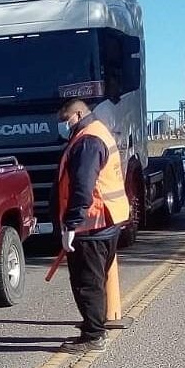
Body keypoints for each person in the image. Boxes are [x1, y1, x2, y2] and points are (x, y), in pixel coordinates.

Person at [53, 98, 131, 353]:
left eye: (64, 119)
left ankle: (94, 336)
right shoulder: (98, 132)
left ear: (77, 115)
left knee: (87, 283)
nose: (62, 125)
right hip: (108, 221)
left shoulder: (87, 141)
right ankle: (95, 326)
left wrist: (71, 225)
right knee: (96, 279)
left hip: (91, 224)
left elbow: (82, 187)